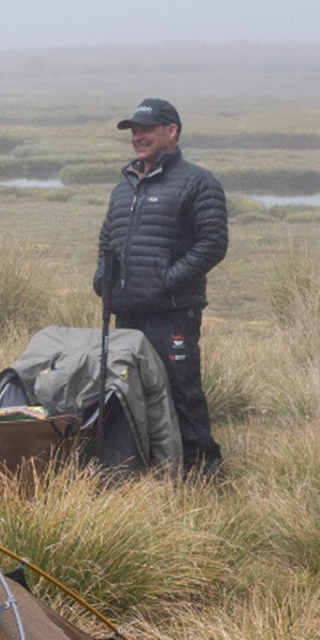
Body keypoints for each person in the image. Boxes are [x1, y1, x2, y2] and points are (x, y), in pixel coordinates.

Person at [93, 98, 228, 478]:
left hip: (173, 311)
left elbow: (212, 243)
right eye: (133, 130)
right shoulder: (124, 187)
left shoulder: (197, 182)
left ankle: (204, 473)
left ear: (172, 132)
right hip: (128, 311)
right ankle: (147, 466)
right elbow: (108, 240)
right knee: (131, 390)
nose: (138, 136)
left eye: (147, 129)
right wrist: (103, 278)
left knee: (181, 391)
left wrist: (165, 281)